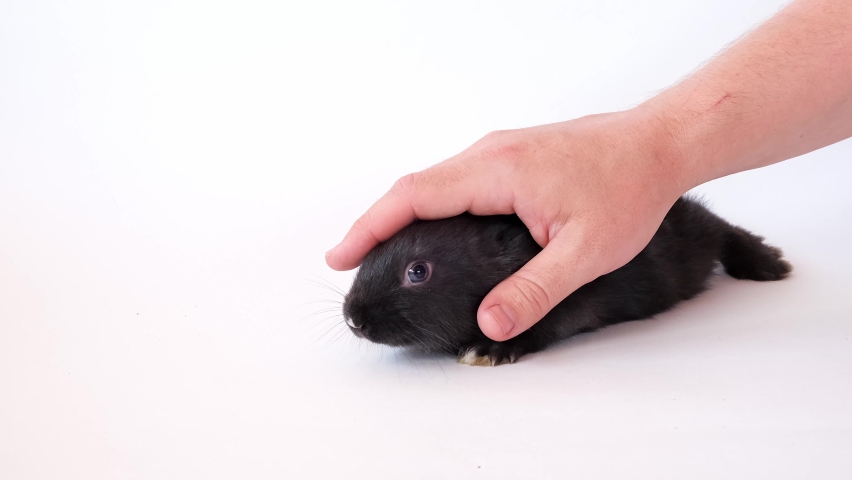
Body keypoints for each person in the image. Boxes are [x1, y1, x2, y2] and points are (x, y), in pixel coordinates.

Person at [325, 0, 852, 342]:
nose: (358, 313)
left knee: (687, 237)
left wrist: (520, 333)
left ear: (500, 258)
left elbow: (574, 306)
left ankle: (729, 241)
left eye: (417, 274)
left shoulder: (523, 262)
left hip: (669, 240)